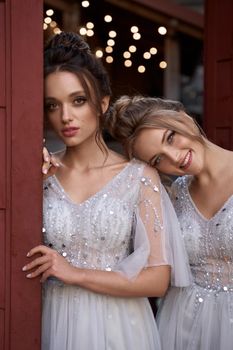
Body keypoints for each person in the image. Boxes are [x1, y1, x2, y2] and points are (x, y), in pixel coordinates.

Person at [22, 33, 190, 350]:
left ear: (102, 102)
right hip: (56, 322)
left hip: (121, 328)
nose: (65, 116)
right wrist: (21, 174)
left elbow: (157, 280)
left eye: (78, 100)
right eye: (52, 105)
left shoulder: (139, 176)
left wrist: (75, 273)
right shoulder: (38, 175)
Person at [106, 94, 233, 350]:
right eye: (158, 160)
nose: (174, 158)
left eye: (170, 138)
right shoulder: (173, 195)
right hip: (182, 324)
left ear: (183, 117)